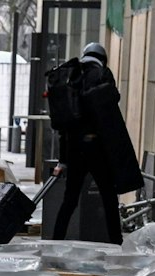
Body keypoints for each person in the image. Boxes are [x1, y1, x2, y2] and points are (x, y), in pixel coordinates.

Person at [48, 42, 143, 243]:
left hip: (74, 148)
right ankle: (116, 241)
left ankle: (55, 240)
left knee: (70, 199)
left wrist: (62, 160)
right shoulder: (102, 74)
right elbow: (112, 101)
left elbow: (65, 125)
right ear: (102, 58)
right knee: (108, 198)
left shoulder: (71, 76)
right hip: (99, 149)